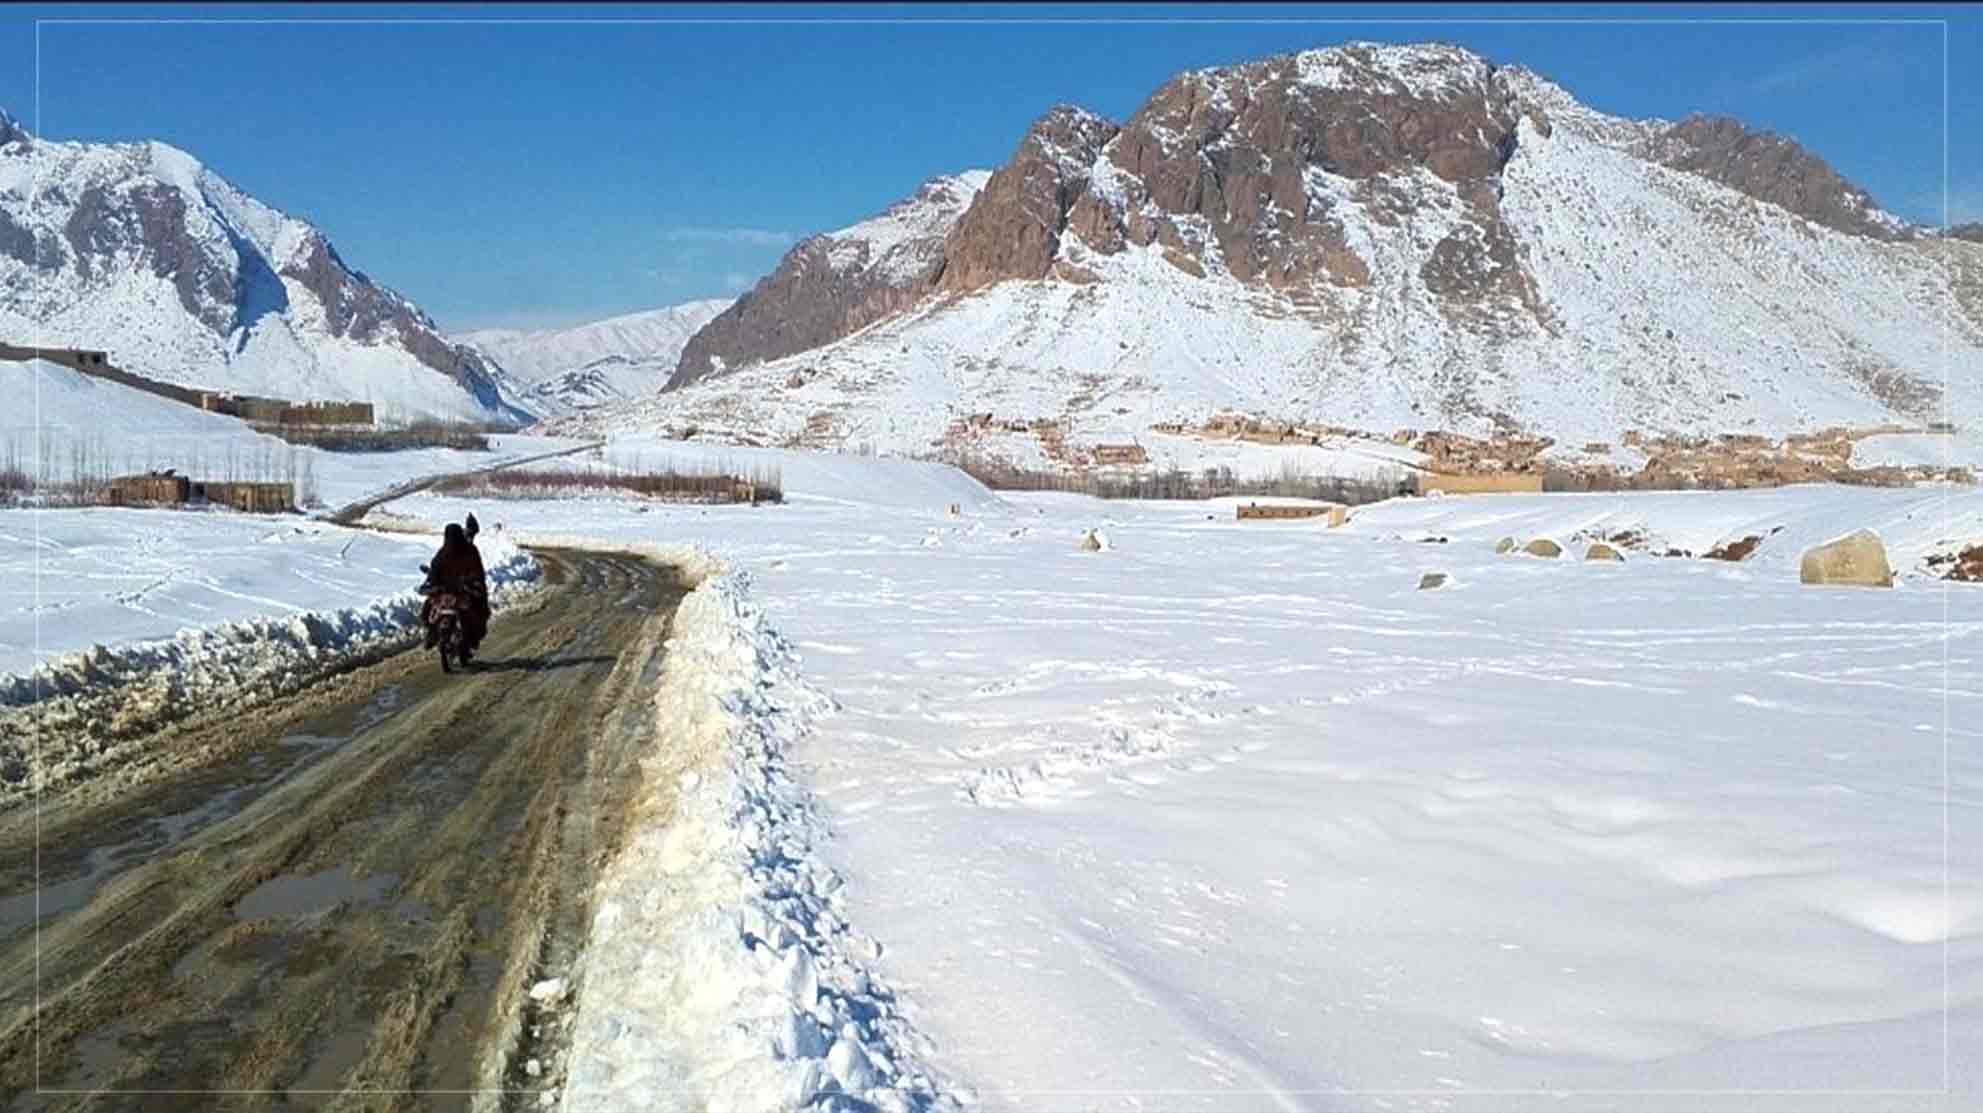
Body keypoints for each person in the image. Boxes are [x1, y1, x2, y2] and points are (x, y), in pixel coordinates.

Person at [423, 518, 490, 660]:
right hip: (446, 590)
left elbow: (478, 570)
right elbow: (434, 568)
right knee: (427, 608)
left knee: (479, 608)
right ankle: (431, 632)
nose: (452, 542)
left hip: (465, 589)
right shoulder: (443, 553)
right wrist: (430, 582)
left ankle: (473, 637)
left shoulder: (470, 551)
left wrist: (474, 582)